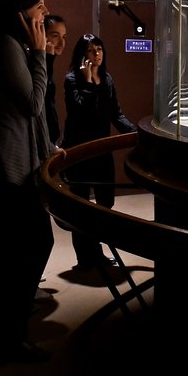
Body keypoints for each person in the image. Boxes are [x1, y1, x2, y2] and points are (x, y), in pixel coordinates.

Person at [0, 0, 57, 364]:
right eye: (39, 7)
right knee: (28, 247)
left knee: (23, 249)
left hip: (20, 165)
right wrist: (41, 55)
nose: (44, 13)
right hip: (10, 168)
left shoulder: (14, 46)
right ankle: (6, 336)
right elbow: (32, 105)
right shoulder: (6, 47)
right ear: (20, 14)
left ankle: (6, 333)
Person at [63, 34, 137, 269]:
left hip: (102, 150)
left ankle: (96, 250)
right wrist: (86, 82)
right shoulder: (72, 79)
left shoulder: (107, 79)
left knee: (106, 201)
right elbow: (79, 111)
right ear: (82, 54)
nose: (97, 54)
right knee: (80, 204)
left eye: (100, 49)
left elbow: (116, 112)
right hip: (80, 151)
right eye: (91, 50)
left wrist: (134, 133)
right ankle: (86, 257)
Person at [43, 14, 68, 146]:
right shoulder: (38, 63)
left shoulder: (48, 62)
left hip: (50, 139)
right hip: (40, 140)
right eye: (55, 36)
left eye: (64, 37)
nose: (61, 43)